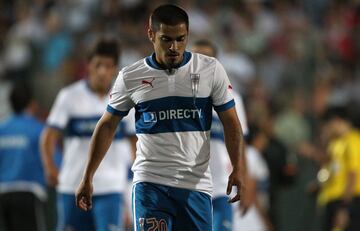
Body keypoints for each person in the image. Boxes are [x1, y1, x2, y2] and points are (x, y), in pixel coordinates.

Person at [76, 4, 247, 231]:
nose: (174, 47)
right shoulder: (131, 77)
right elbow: (107, 125)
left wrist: (237, 167)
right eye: (166, 39)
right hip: (150, 184)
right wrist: (88, 176)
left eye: (181, 39)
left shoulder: (211, 69)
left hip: (196, 186)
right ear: (151, 35)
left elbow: (231, 123)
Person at [41, 38, 136, 231]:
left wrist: (134, 183)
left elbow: (136, 142)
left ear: (115, 69)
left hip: (111, 188)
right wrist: (50, 166)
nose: (102, 71)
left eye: (107, 66)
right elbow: (49, 135)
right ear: (88, 66)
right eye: (97, 65)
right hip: (72, 187)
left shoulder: (125, 101)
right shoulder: (69, 96)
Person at [192, 39, 249, 231]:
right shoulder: (178, 96)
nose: (201, 63)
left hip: (221, 186)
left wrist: (245, 179)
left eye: (207, 58)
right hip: (188, 187)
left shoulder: (233, 98)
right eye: (197, 58)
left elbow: (240, 142)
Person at [0, 82, 47, 231]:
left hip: (3, 195)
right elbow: (53, 162)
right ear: (32, 103)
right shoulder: (38, 129)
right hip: (29, 194)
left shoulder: (2, 129)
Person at [317, 106, 360, 231]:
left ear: (336, 121)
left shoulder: (354, 140)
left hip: (348, 201)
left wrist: (345, 208)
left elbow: (353, 174)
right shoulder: (336, 143)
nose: (327, 128)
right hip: (334, 201)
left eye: (328, 124)